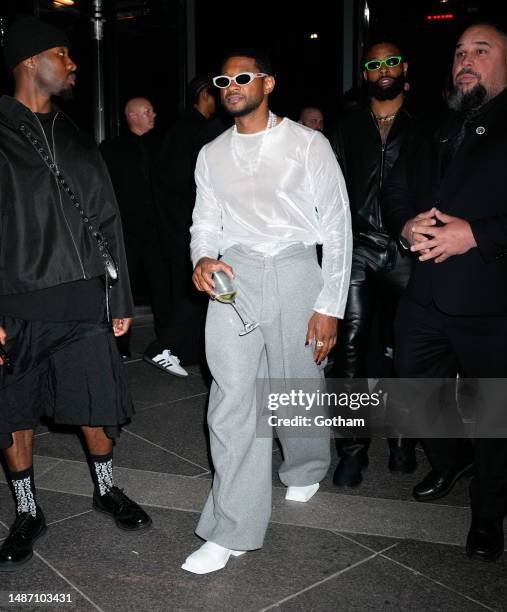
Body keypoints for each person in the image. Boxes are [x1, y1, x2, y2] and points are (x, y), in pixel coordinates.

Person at [182, 49, 352, 574]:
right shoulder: (211, 153)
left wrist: (330, 305)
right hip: (235, 275)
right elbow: (204, 222)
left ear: (268, 83)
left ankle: (305, 465)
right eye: (222, 80)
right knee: (232, 398)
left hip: (299, 267)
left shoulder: (308, 143)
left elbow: (338, 226)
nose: (230, 85)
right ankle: (231, 528)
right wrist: (202, 257)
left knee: (296, 377)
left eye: (242, 77)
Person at [0, 17, 151, 571]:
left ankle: (105, 488)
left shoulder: (74, 135)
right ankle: (26, 508)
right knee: (12, 411)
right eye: (62, 53)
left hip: (86, 297)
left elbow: (108, 221)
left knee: (97, 401)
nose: (72, 63)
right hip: (17, 301)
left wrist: (120, 300)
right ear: (28, 60)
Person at [383, 22, 507, 562]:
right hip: (426, 294)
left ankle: (487, 516)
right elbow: (396, 189)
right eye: (460, 52)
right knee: (416, 390)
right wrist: (405, 224)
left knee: (494, 412)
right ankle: (451, 459)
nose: (466, 60)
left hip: (492, 298)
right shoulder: (432, 124)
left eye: (481, 51)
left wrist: (476, 234)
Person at [330, 39, 416, 487]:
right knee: (350, 353)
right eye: (374, 63)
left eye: (391, 61)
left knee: (408, 351)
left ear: (405, 68)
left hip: (411, 251)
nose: (383, 69)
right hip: (358, 248)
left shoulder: (430, 122)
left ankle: (402, 442)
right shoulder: (345, 126)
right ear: (365, 73)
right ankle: (351, 450)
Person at [100, 98, 185, 375]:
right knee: (120, 287)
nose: (154, 114)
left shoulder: (162, 147)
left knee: (163, 287)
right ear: (132, 115)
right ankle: (117, 345)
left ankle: (166, 343)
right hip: (124, 232)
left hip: (157, 231)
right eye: (148, 111)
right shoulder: (111, 149)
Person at [151, 75, 223, 369]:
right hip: (193, 224)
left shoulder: (180, 129)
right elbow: (188, 183)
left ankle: (181, 350)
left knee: (191, 290)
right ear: (204, 95)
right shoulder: (200, 131)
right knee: (199, 290)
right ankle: (166, 347)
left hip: (177, 224)